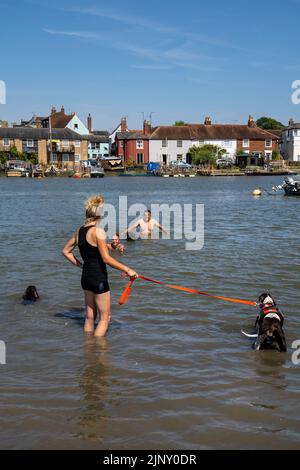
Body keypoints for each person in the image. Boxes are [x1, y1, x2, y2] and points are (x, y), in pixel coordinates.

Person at [62, 195, 138, 337]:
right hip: (98, 279)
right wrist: (128, 270)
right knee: (105, 318)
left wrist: (81, 265)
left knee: (90, 317)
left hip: (85, 278)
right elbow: (106, 259)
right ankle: (98, 353)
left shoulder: (80, 231)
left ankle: (88, 349)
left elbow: (66, 251)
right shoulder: (99, 231)